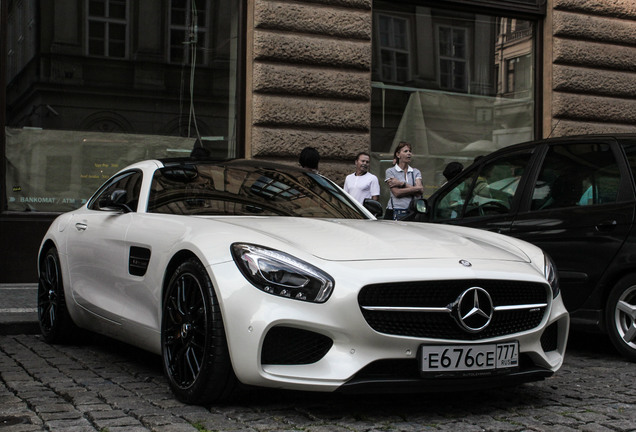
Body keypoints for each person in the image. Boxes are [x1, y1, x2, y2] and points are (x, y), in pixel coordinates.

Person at [384, 141, 423, 220]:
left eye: (410, 151)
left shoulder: (415, 171)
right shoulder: (390, 171)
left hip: (412, 211)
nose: (409, 153)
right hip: (395, 211)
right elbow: (397, 193)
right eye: (405, 151)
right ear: (398, 155)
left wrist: (401, 184)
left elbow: (420, 190)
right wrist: (414, 189)